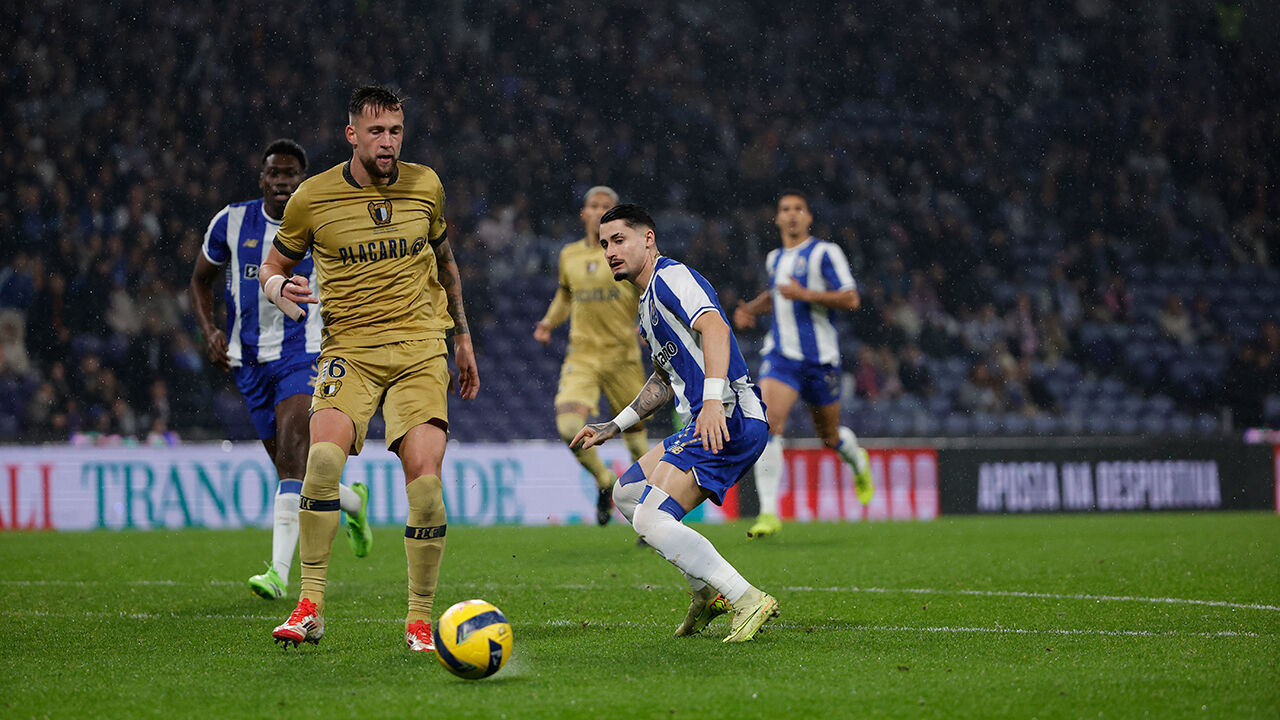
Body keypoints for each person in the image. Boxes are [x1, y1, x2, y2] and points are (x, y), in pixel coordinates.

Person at [257, 87, 479, 653]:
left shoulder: (426, 185)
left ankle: (420, 620)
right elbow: (273, 265)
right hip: (348, 349)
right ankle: (310, 606)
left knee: (426, 489)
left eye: (396, 132)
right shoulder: (312, 196)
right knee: (322, 460)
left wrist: (463, 339)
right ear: (352, 134)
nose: (388, 142)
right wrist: (279, 286)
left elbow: (445, 260)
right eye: (377, 132)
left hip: (421, 348)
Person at [573, 204, 778, 642]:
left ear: (648, 239)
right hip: (709, 416)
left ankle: (745, 598)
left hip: (729, 415)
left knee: (650, 519)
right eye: (604, 243)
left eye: (619, 240)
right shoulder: (647, 304)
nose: (610, 250)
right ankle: (706, 595)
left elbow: (717, 330)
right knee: (626, 494)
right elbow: (664, 379)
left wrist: (710, 402)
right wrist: (616, 425)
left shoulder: (671, 278)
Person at [188, 139, 372, 601]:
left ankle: (279, 574)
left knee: (293, 457)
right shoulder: (230, 222)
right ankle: (353, 502)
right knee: (297, 471)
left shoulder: (321, 221)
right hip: (248, 360)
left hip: (304, 354)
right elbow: (199, 280)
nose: (283, 181)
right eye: (275, 173)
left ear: (302, 179)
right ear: (263, 178)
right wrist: (210, 330)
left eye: (291, 175)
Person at [733, 190, 874, 538]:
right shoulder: (774, 259)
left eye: (799, 209)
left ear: (809, 217)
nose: (792, 215)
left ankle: (857, 461)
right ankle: (768, 513)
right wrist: (750, 309)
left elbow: (851, 297)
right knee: (768, 424)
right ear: (778, 218)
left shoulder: (826, 252)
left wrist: (806, 294)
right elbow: (777, 295)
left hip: (821, 358)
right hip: (781, 356)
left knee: (828, 436)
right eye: (785, 210)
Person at [533, 186, 649, 525]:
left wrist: (644, 324)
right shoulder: (569, 255)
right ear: (584, 214)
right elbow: (565, 295)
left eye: (607, 206)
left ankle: (647, 516)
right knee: (569, 426)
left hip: (623, 358)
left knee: (639, 448)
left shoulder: (632, 253)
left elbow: (649, 290)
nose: (599, 210)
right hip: (582, 356)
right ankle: (604, 480)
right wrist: (548, 322)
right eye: (593, 206)